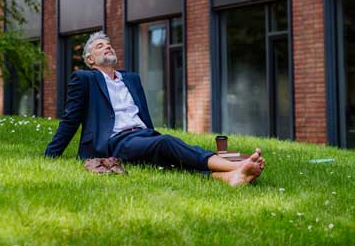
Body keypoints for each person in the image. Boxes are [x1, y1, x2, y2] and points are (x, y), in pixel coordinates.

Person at [44, 31, 265, 186]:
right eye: (100, 46)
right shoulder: (85, 79)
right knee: (166, 143)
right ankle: (235, 167)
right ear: (90, 60)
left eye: (108, 43)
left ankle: (229, 177)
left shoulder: (131, 78)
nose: (107, 46)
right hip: (115, 142)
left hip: (142, 135)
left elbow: (144, 116)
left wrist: (150, 136)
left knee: (169, 157)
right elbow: (70, 119)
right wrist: (50, 156)